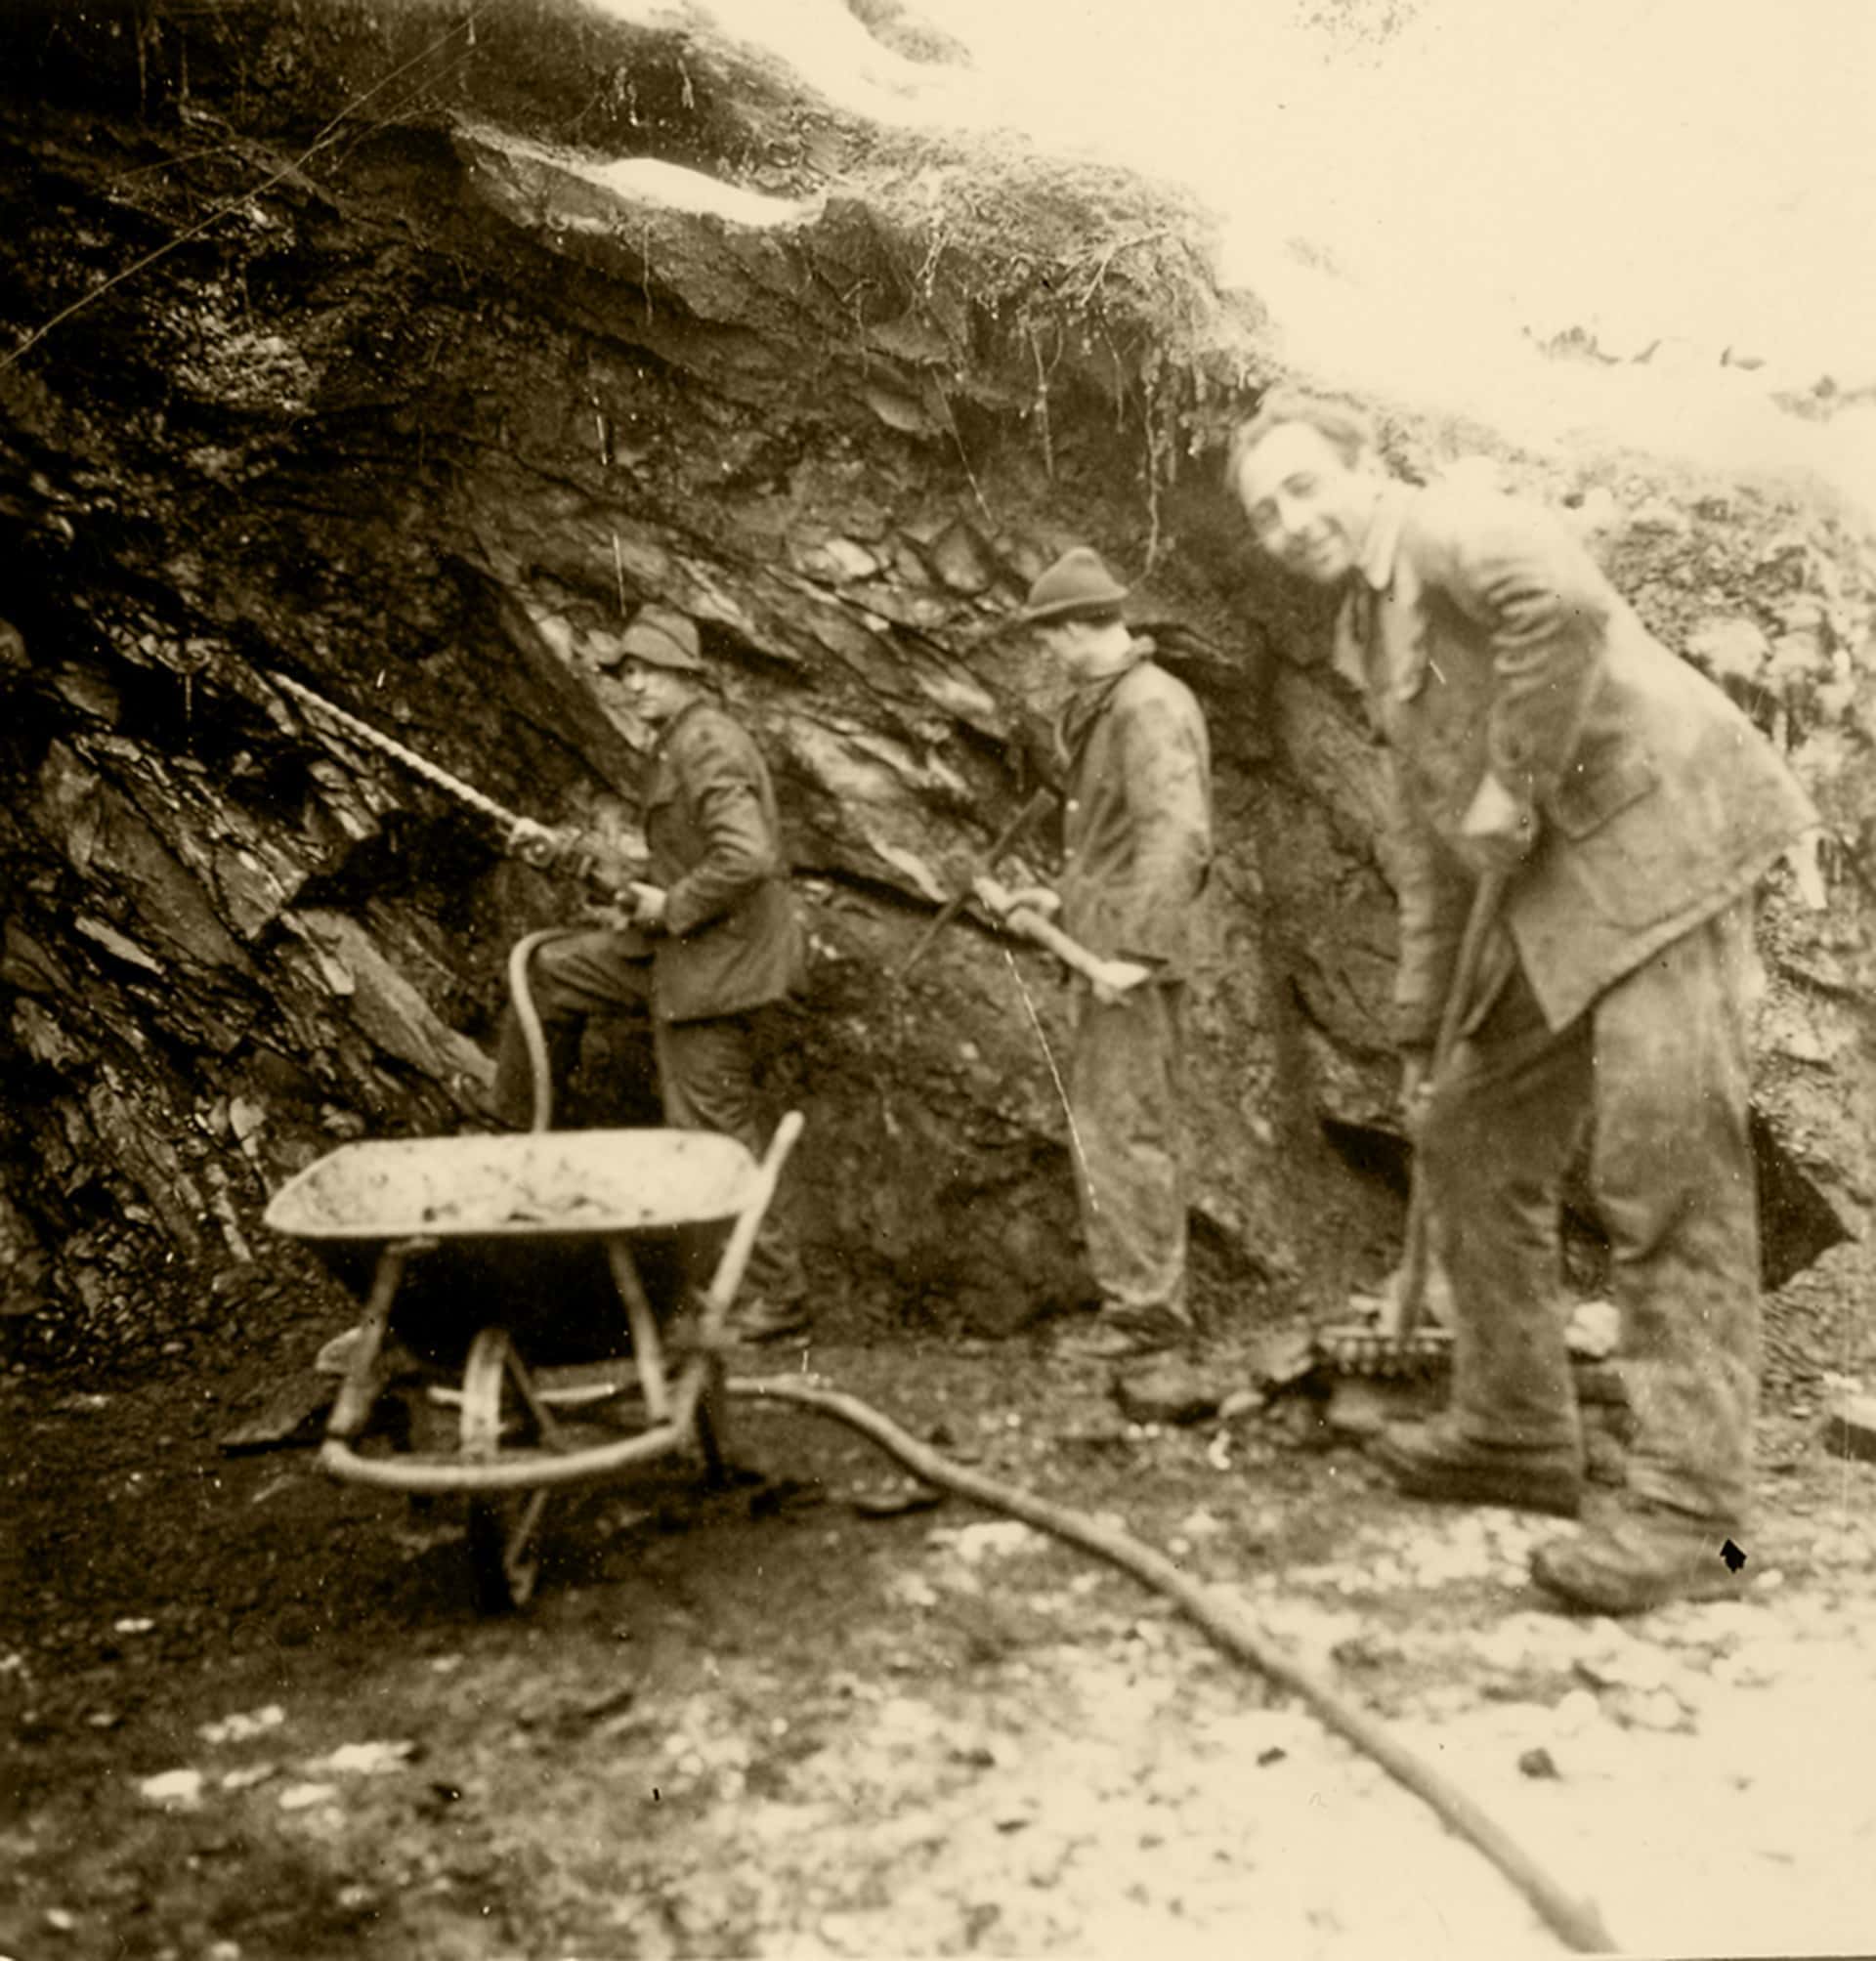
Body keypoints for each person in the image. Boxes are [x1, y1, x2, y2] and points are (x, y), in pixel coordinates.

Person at [1227, 390, 1818, 1613]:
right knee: (1465, 1127)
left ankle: (1691, 1518)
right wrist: (1417, 1026)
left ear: (1364, 467)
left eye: (1303, 487)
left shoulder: (1447, 524)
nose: (1288, 521)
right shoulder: (1369, 633)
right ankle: (1514, 1427)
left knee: (1666, 1175)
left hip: (1666, 854)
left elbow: (1564, 604)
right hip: (1557, 900)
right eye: (1264, 511)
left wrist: (1514, 778)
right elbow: (1428, 846)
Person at [491, 606, 809, 1343]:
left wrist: (671, 906)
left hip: (723, 969)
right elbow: (674, 869)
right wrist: (570, 854)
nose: (632, 686)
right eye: (624, 673)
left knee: (711, 1132)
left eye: (645, 671)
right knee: (547, 974)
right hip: (686, 950)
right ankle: (512, 1151)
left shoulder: (707, 744)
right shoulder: (674, 745)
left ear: (683, 674)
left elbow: (746, 858)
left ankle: (779, 1299)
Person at [984, 547, 1214, 1362]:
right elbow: (1117, 849)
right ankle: (1139, 1305)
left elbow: (1177, 835)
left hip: (1126, 965)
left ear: (1084, 626)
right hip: (1103, 949)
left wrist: (1138, 954)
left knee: (1126, 1131)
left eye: (1053, 636)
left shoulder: (1148, 706)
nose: (1050, 653)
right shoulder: (1114, 704)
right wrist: (1062, 905)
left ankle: (1148, 1318)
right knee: (1111, 1127)